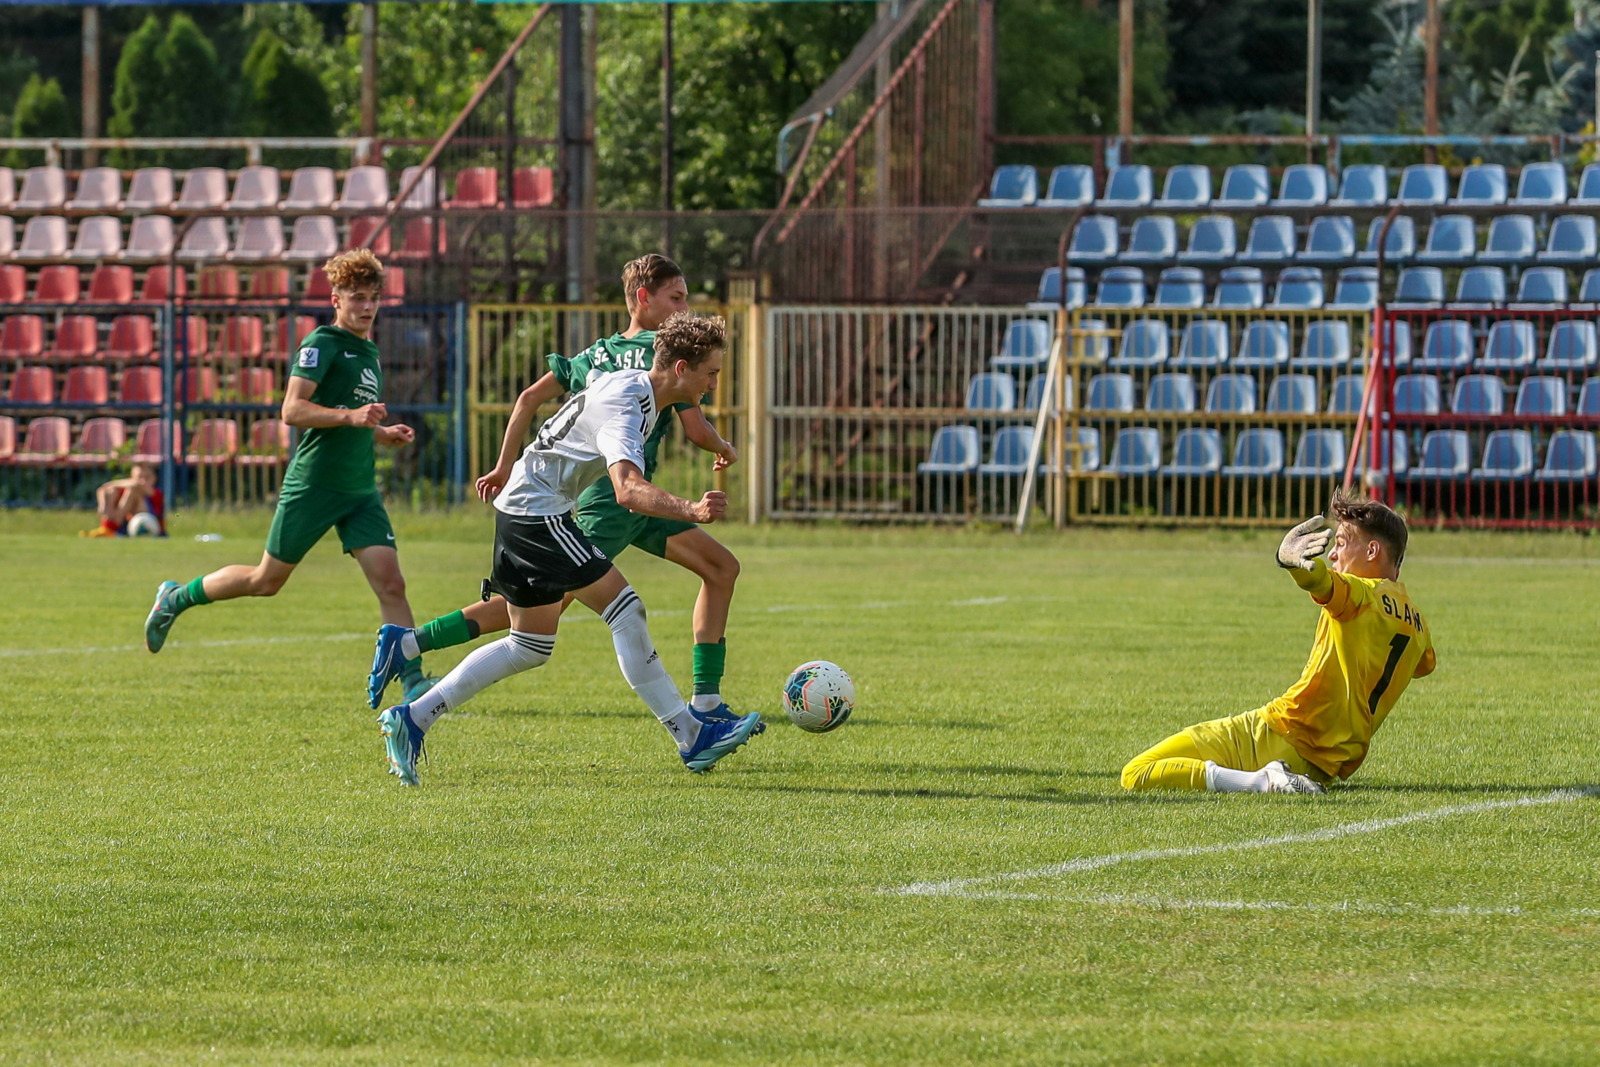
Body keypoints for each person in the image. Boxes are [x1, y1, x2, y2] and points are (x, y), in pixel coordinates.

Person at [376, 311, 761, 785]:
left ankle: (412, 718)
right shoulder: (629, 407)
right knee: (626, 610)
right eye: (712, 373)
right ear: (681, 369)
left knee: (528, 645)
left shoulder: (634, 383)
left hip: (526, 508)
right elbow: (628, 491)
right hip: (538, 515)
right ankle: (690, 735)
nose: (715, 385)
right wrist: (693, 510)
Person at [143, 249, 432, 701]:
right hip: (314, 484)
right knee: (266, 581)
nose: (367, 306)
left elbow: (351, 418)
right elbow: (292, 410)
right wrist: (352, 417)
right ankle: (176, 597)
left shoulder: (369, 350)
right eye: (357, 297)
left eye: (373, 297)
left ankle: (414, 680)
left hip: (359, 490)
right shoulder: (321, 343)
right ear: (336, 299)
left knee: (391, 583)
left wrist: (380, 432)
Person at [1121, 489, 1435, 794]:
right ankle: (1278, 778)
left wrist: (1290, 562)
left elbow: (1321, 580)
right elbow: (1423, 666)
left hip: (1280, 734)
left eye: (1341, 543)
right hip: (1322, 767)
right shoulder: (1419, 627)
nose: (1333, 553)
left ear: (1372, 551)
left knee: (1137, 772)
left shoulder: (1358, 594)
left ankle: (1264, 781)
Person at [82, 462, 164, 537]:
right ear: (131, 478)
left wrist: (112, 484)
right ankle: (106, 529)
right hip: (127, 523)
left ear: (154, 478)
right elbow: (102, 489)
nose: (142, 481)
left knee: (132, 490)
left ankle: (109, 529)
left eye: (147, 477)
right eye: (139, 477)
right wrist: (102, 504)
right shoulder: (130, 487)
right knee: (112, 491)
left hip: (149, 523)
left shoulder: (156, 492)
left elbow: (137, 485)